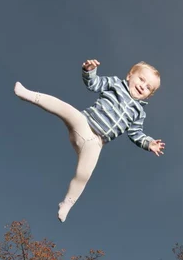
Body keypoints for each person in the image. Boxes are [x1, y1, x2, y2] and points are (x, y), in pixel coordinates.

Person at [14, 59, 164, 222]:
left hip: (96, 143)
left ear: (149, 94)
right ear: (129, 76)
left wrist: (149, 143)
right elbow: (94, 84)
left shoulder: (139, 112)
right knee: (65, 108)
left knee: (84, 174)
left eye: (149, 87)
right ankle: (28, 95)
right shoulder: (115, 84)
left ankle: (67, 204)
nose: (143, 86)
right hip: (83, 124)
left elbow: (136, 133)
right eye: (141, 79)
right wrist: (89, 71)